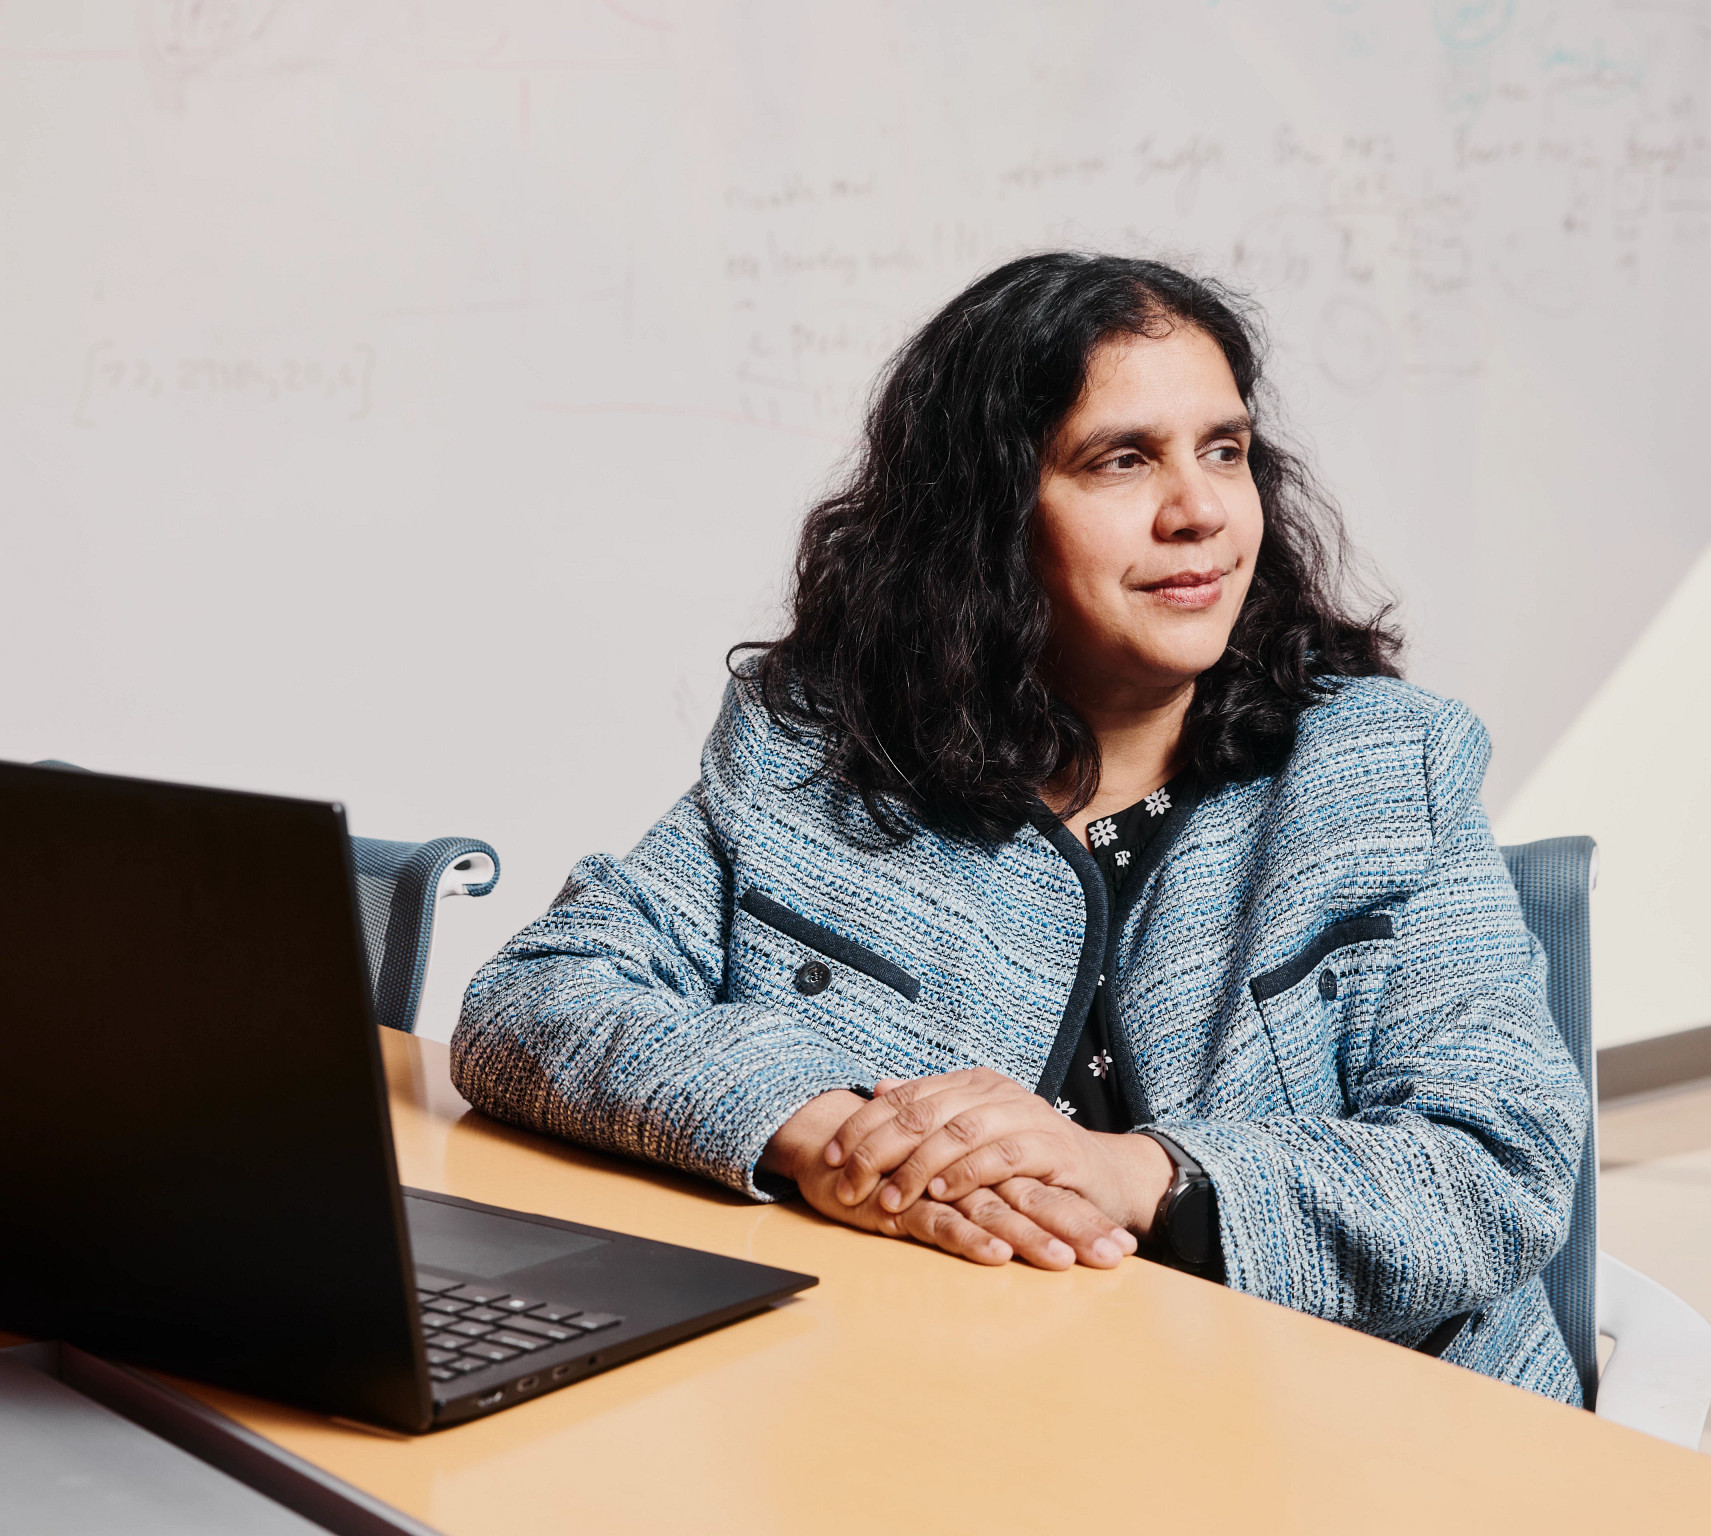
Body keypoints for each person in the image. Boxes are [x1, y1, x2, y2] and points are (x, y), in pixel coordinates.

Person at [452, 252, 1590, 1401]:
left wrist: (1132, 1174)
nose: (1198, 511)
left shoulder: (1383, 769)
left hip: (1345, 1435)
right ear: (987, 515)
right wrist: (826, 1130)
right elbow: (537, 999)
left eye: (1224, 451)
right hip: (934, 1413)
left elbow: (1497, 1165)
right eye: (1122, 459)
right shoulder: (818, 754)